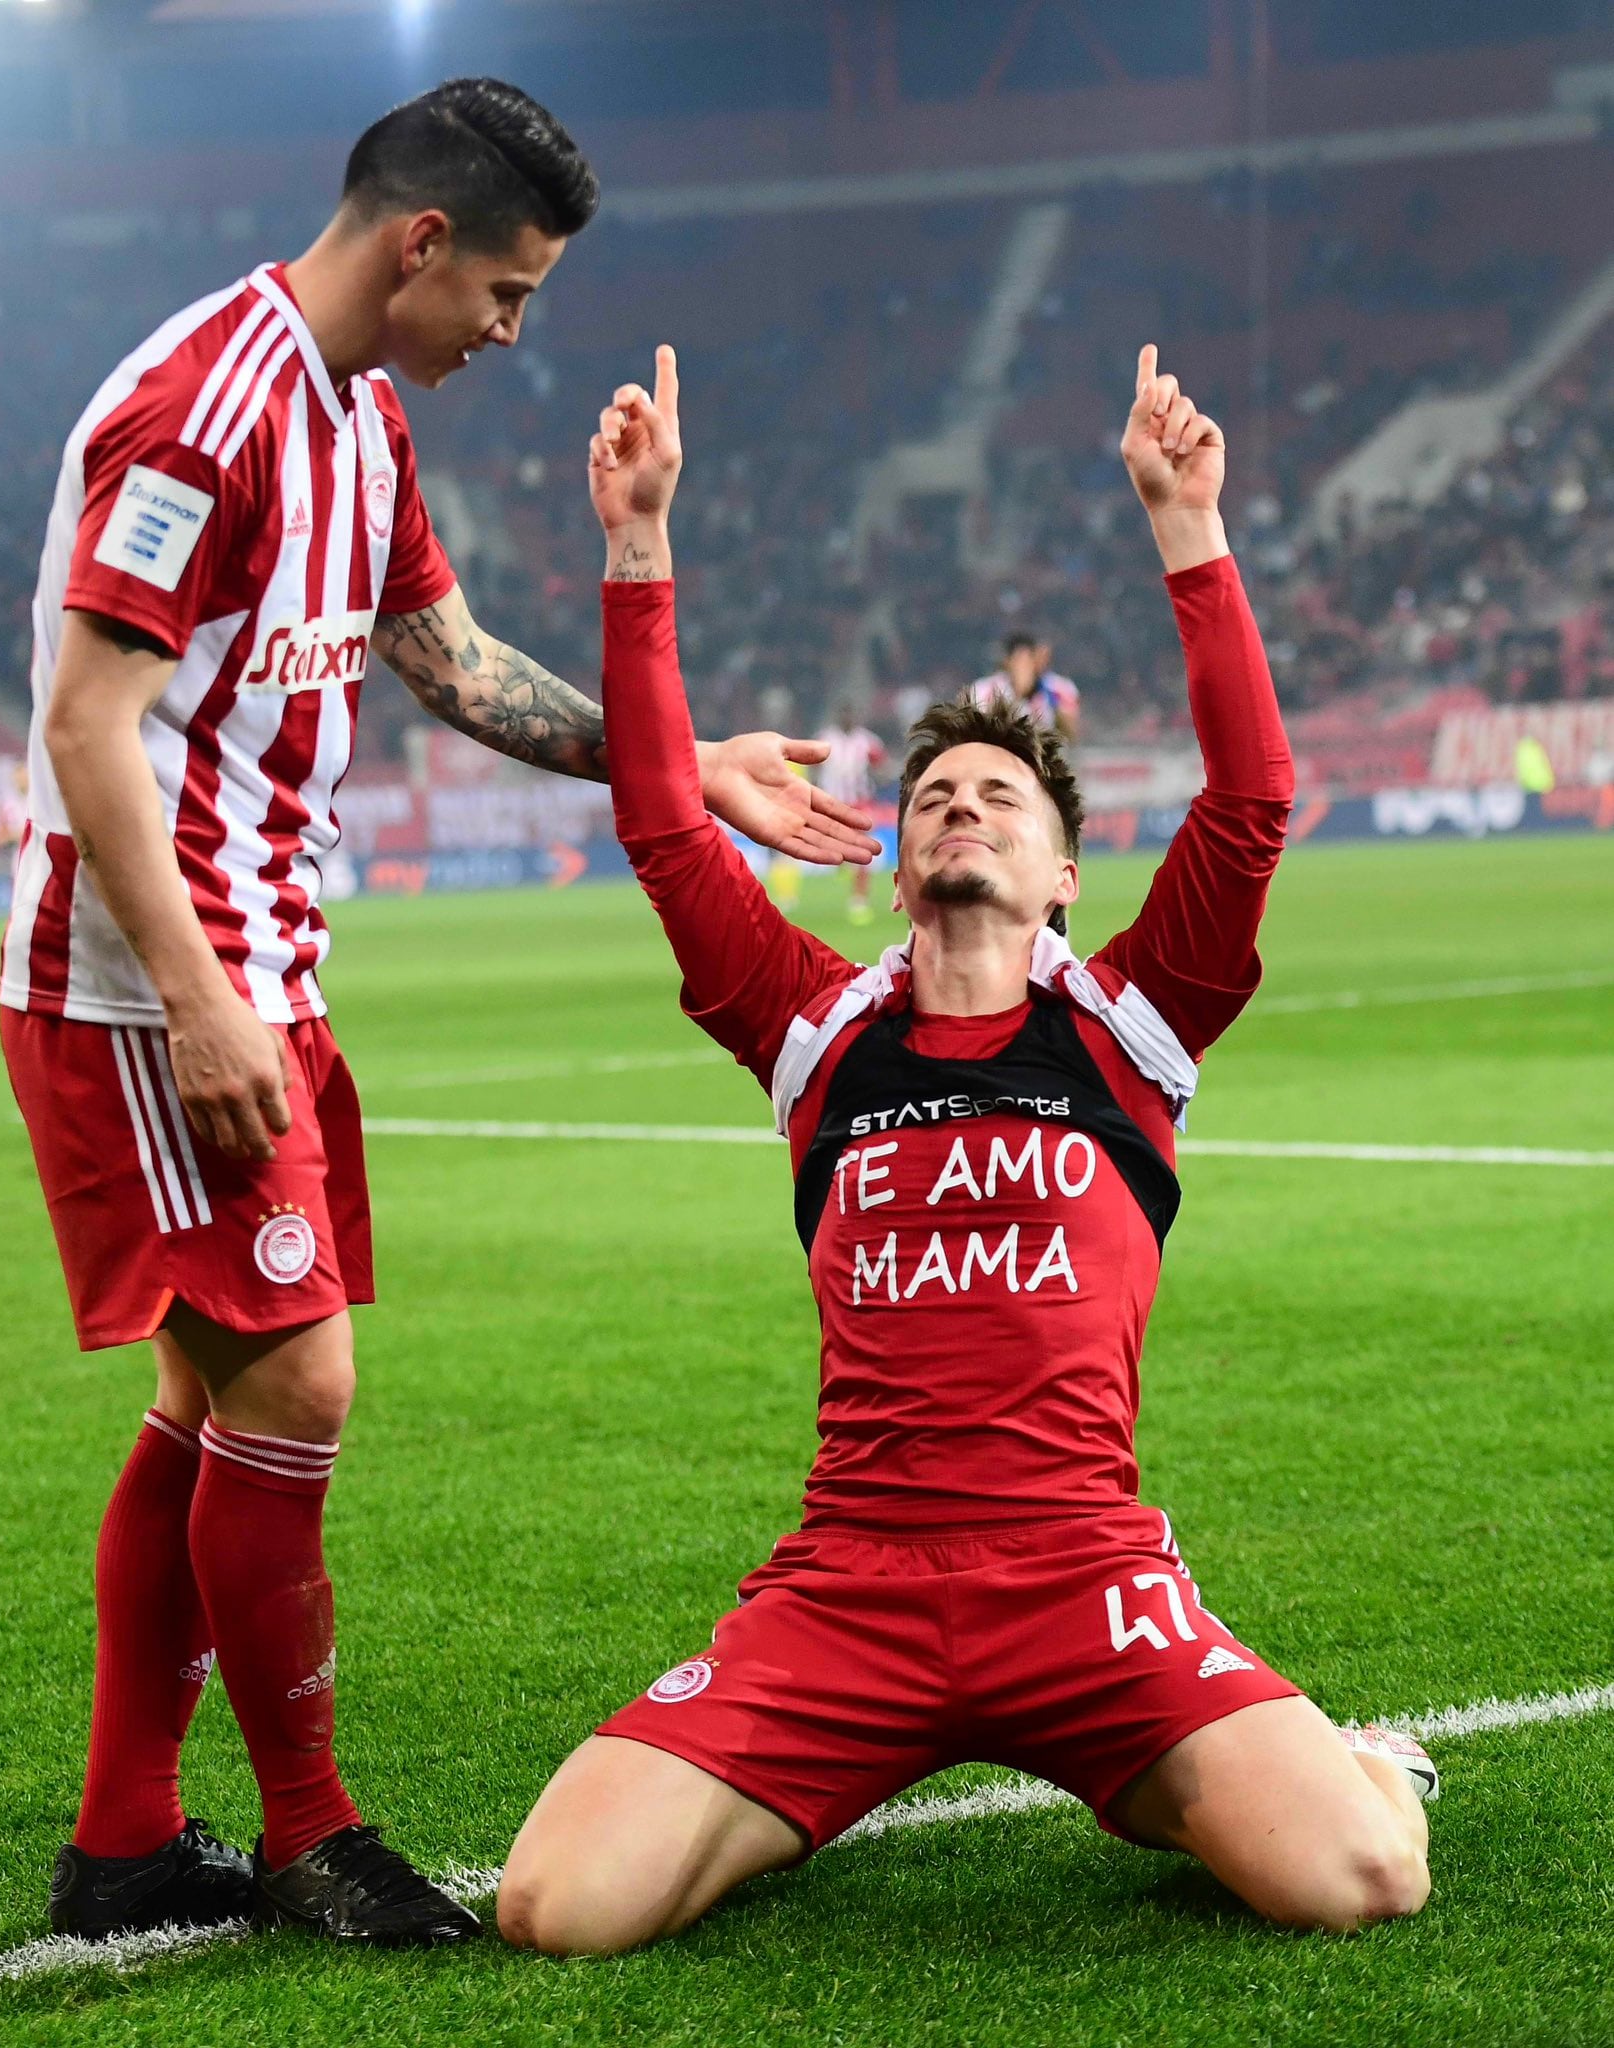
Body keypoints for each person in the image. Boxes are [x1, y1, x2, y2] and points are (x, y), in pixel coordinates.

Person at [0, 78, 873, 1948]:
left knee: (210, 1396)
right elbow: (83, 722)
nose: (511, 331)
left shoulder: (362, 416)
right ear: (419, 243)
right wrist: (195, 1002)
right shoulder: (201, 410)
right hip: (148, 985)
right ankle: (308, 1831)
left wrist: (684, 760)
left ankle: (124, 1842)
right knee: (295, 1382)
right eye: (507, 289)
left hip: (264, 968)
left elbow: (451, 662)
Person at [495, 343, 1436, 1954]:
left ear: (1064, 873)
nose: (961, 808)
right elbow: (660, 824)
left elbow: (1250, 799)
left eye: (1002, 796)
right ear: (889, 865)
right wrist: (637, 543)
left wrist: (1189, 532)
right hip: (845, 1589)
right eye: (934, 793)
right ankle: (816, 1776)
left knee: (1361, 1879)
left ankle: (1330, 1764)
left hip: (1081, 1581)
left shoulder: (1133, 1024)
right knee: (556, 1908)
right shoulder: (815, 1030)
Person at [814, 704, 888, 923]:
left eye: (850, 715)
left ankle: (859, 900)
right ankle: (841, 864)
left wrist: (876, 783)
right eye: (844, 715)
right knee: (836, 845)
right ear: (839, 717)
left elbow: (881, 766)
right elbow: (813, 764)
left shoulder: (868, 741)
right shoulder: (825, 739)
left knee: (863, 849)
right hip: (833, 802)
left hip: (860, 803)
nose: (847, 719)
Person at [973, 631, 1080, 741]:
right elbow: (977, 730)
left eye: (1028, 660)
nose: (1024, 667)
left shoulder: (1058, 689)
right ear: (1007, 662)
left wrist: (1054, 704)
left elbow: (1071, 734)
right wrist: (1019, 694)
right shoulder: (986, 689)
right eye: (1019, 661)